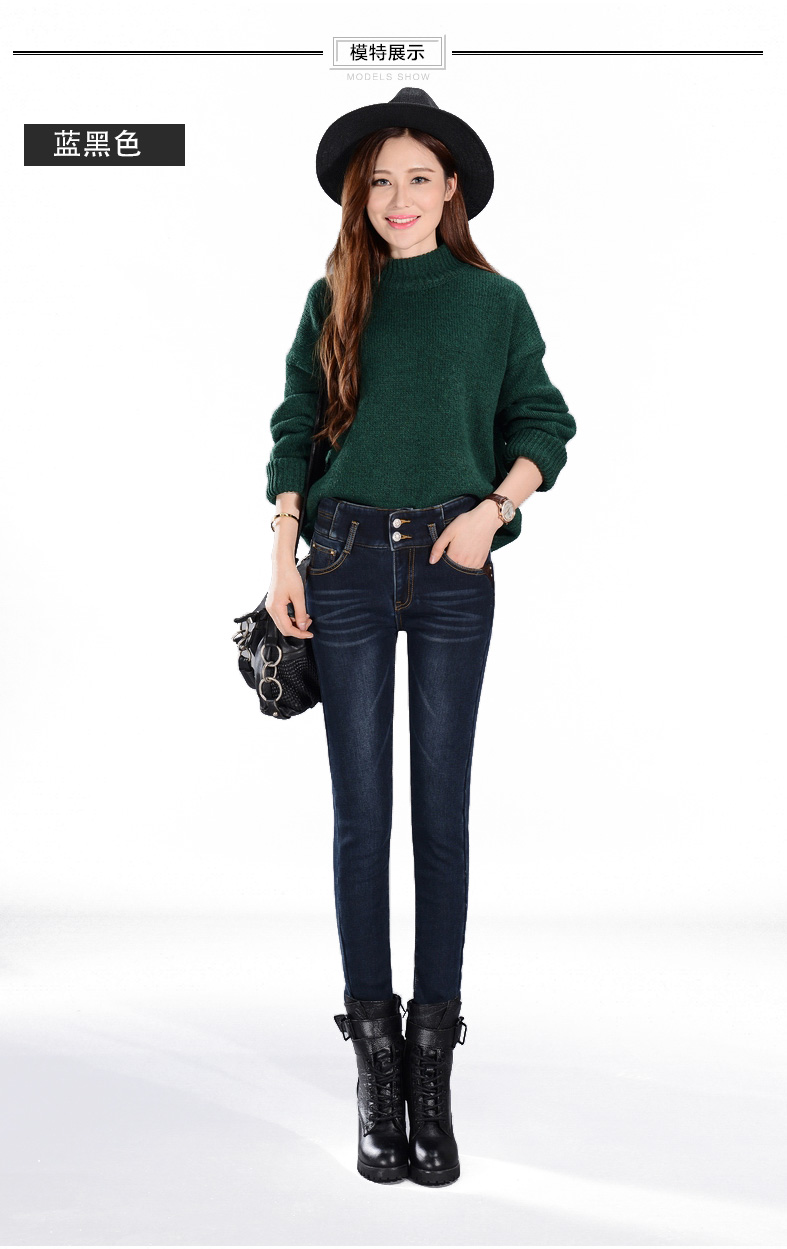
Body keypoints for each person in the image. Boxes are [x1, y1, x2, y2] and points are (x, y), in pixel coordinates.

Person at [263, 88, 577, 1187]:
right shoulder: (333, 298)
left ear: (451, 192)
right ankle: (376, 1060)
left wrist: (493, 511)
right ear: (361, 197)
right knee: (363, 819)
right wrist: (282, 555)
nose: (398, 198)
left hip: (452, 564)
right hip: (341, 559)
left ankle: (431, 1069)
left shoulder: (494, 304)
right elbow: (295, 428)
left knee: (440, 816)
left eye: (418, 179)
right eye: (380, 182)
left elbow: (543, 423)